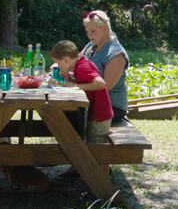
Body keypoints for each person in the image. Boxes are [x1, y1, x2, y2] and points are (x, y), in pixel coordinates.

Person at [52, 40, 115, 178]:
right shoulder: (80, 64)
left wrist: (76, 86)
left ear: (66, 60)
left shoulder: (82, 67)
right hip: (95, 112)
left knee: (96, 147)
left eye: (58, 63)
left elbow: (100, 83)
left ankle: (101, 180)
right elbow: (84, 81)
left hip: (100, 113)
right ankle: (92, 174)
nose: (58, 66)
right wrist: (70, 78)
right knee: (92, 143)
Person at [81, 10, 130, 123]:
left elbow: (106, 85)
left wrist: (76, 86)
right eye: (87, 32)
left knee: (70, 115)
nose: (90, 35)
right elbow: (76, 63)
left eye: (93, 31)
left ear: (105, 28)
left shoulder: (116, 53)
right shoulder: (91, 45)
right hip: (91, 102)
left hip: (112, 108)